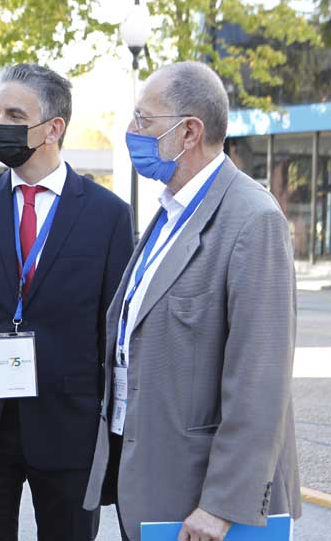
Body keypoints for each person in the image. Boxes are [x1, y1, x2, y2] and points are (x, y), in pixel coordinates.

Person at [83, 61, 301, 541]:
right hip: (147, 482)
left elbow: (259, 382)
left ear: (189, 132)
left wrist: (221, 506)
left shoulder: (253, 218)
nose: (131, 131)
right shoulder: (170, 211)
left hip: (201, 505)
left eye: (144, 120)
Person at [0, 63, 134, 541]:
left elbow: (115, 334)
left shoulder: (109, 217)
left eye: (15, 113)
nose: (1, 124)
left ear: (53, 127)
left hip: (69, 429)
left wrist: (116, 435)